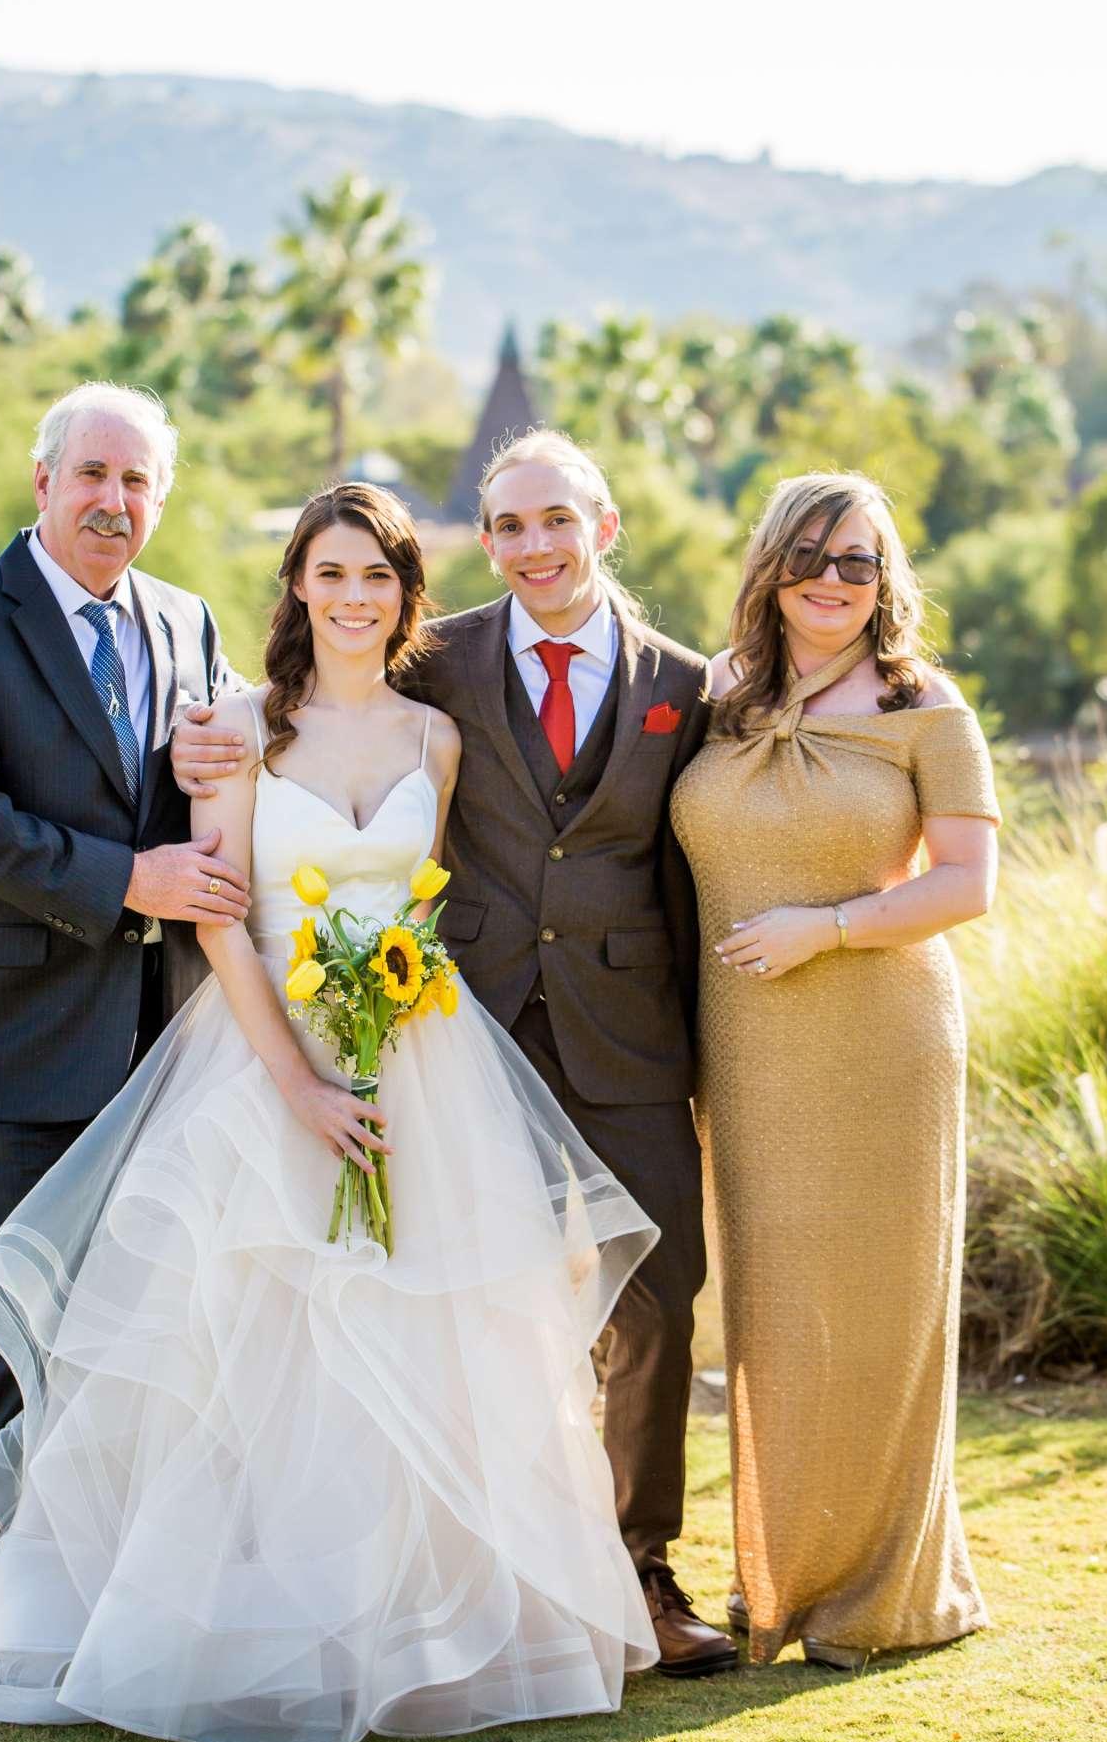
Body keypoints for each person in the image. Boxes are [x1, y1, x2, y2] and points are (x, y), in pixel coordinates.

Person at [0, 484, 659, 1742]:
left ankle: (410, 1629)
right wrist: (294, 1075)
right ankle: (233, 1623)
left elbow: (423, 904)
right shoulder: (237, 732)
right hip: (257, 1059)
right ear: (296, 584)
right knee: (255, 1340)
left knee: (426, 1339)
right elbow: (218, 912)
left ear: (407, 597)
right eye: (330, 574)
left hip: (417, 1059)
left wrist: (387, 1022)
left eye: (379, 578)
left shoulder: (434, 741)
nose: (353, 598)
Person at [175, 432, 737, 1675]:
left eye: (556, 521)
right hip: (459, 1018)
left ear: (602, 523)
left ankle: (635, 1570)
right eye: (509, 526)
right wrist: (194, 738)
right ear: (484, 543)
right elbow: (291, 704)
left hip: (620, 1030)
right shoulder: (447, 660)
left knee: (652, 1298)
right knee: (443, 1306)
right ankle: (369, 1579)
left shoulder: (687, 685)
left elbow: (715, 838)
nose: (534, 546)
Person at [0, 381, 249, 1664]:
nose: (114, 502)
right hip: (25, 1039)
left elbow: (220, 768)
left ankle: (89, 1603)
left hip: (167, 1042)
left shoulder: (189, 621)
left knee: (139, 1327)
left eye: (138, 482)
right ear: (43, 482)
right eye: (93, 475)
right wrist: (124, 882)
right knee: (22, 1318)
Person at [670, 470, 999, 1668]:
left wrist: (827, 926)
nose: (831, 579)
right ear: (769, 564)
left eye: (858, 560)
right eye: (810, 553)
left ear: (886, 579)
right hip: (747, 1051)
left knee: (875, 1311)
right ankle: (782, 1578)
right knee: (772, 1313)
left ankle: (880, 1593)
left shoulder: (927, 708)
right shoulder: (715, 696)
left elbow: (967, 883)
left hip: (881, 1041)